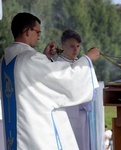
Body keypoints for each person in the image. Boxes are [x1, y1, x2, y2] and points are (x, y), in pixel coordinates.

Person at [0, 12, 100, 150]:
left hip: (18, 134)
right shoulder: (29, 59)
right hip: (39, 134)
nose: (39, 37)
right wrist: (87, 60)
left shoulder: (5, 61)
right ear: (28, 31)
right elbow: (65, 78)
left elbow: (33, 82)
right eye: (37, 32)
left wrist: (45, 57)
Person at [56, 29, 94, 150]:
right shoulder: (58, 64)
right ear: (63, 46)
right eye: (72, 46)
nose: (75, 50)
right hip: (68, 113)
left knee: (84, 144)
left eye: (78, 46)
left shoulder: (80, 62)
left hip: (83, 111)